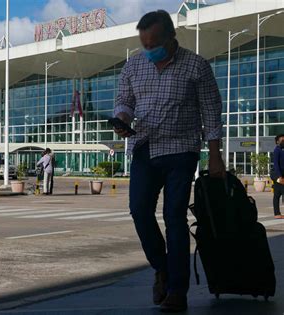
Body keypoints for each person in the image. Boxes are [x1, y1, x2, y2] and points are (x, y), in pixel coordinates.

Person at [113, 10, 225, 312]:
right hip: (145, 147)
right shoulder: (134, 64)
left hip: (181, 149)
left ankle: (178, 289)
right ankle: (161, 268)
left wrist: (215, 156)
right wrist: (122, 119)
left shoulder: (197, 66)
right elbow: (125, 101)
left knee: (174, 216)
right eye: (144, 44)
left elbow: (211, 112)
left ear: (171, 37)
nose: (149, 50)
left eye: (154, 44)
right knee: (139, 211)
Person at [272, 134, 284, 219]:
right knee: (281, 191)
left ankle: (277, 214)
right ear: (277, 142)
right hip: (277, 174)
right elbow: (276, 165)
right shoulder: (277, 150)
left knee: (277, 193)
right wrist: (280, 177)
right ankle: (277, 213)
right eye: (282, 140)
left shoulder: (282, 150)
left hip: (281, 174)